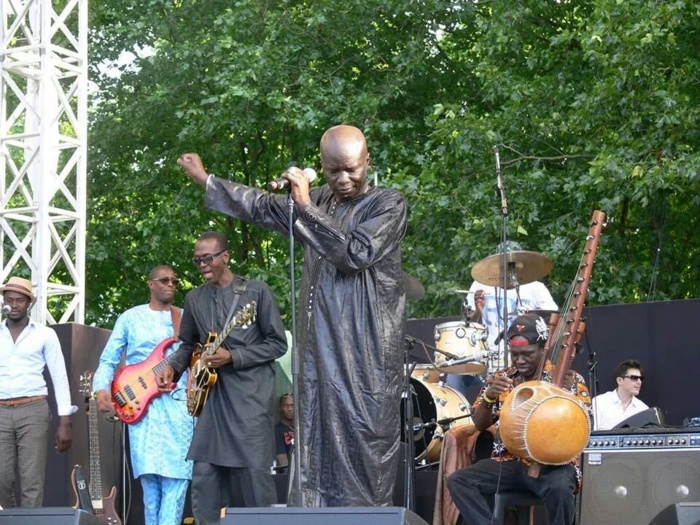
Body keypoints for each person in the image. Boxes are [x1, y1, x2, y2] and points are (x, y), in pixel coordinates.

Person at [175, 124, 407, 507]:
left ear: (368, 161)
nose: (343, 179)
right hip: (320, 348)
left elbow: (354, 254)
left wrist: (306, 208)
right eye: (333, 171)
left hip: (366, 351)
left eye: (351, 169)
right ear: (322, 166)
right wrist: (207, 179)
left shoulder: (387, 204)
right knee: (316, 441)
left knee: (363, 440)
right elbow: (262, 206)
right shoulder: (315, 201)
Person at [156, 232, 287, 524]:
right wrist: (173, 368)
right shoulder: (195, 298)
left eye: (208, 258)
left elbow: (278, 344)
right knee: (205, 475)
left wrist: (235, 357)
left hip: (250, 399)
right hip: (212, 399)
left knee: (254, 477)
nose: (202, 264)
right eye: (197, 259)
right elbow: (187, 345)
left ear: (225, 256)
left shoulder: (255, 292)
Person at [447, 313, 591, 525]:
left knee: (560, 488)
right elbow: (480, 424)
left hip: (553, 465)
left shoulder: (567, 379)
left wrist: (568, 397)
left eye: (526, 354)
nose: (519, 360)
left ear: (543, 350)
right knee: (459, 481)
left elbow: (586, 427)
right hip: (509, 462)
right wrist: (489, 397)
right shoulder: (502, 378)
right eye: (514, 354)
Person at [92, 265, 194, 525]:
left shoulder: (185, 317)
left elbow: (197, 358)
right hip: (141, 408)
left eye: (174, 280)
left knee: (178, 478)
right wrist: (101, 389)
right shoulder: (130, 317)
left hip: (178, 406)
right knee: (150, 484)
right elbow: (108, 359)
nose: (170, 284)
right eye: (164, 280)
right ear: (150, 284)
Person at [0, 276, 75, 508]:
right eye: (9, 299)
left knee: (32, 479)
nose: (13, 305)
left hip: (33, 408)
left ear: (29, 303)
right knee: (2, 478)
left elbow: (59, 376)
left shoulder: (45, 334)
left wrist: (65, 420)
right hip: (1, 409)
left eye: (19, 300)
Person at [447, 241, 558, 398]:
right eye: (504, 265)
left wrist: (543, 351)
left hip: (519, 355)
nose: (508, 269)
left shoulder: (535, 287)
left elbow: (554, 320)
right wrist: (478, 311)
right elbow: (468, 327)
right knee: (454, 376)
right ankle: (456, 419)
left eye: (513, 266)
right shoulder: (481, 285)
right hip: (485, 355)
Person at [591, 359, 649, 431]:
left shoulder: (643, 409)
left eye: (641, 378)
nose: (639, 382)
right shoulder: (599, 402)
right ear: (620, 380)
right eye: (634, 378)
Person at [274, 392, 294, 474]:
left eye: (292, 405)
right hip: (291, 475)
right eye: (286, 405)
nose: (289, 409)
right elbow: (283, 463)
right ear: (280, 408)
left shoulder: (303, 428)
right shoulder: (278, 430)